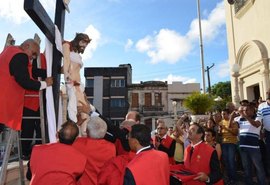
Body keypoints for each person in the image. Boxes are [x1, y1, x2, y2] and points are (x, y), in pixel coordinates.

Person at [0, 39, 53, 131]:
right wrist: (45, 84)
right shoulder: (21, 56)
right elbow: (25, 81)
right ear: (27, 46)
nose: (33, 57)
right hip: (4, 101)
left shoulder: (9, 50)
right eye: (33, 53)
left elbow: (28, 71)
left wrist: (50, 73)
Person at [63, 33, 92, 136]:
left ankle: (82, 137)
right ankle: (75, 136)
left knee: (85, 112)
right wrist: (67, 77)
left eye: (86, 44)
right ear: (78, 40)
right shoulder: (67, 45)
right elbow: (66, 61)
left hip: (79, 86)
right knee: (73, 110)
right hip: (71, 83)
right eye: (83, 42)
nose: (84, 46)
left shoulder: (77, 54)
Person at [72, 116, 116, 185]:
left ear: (87, 131)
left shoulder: (79, 144)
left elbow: (68, 137)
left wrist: (76, 125)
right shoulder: (112, 148)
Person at [234, 105, 267, 185]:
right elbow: (233, 127)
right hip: (243, 147)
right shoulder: (240, 119)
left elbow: (256, 124)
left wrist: (245, 116)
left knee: (258, 167)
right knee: (246, 168)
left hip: (254, 148)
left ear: (252, 111)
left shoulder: (258, 117)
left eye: (247, 110)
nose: (245, 111)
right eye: (244, 110)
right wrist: (232, 117)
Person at [219, 108, 238, 184]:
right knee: (226, 162)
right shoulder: (221, 122)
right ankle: (229, 178)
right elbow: (220, 134)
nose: (223, 116)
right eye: (222, 114)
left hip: (231, 144)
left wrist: (225, 128)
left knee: (231, 161)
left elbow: (235, 133)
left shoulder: (234, 122)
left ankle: (233, 179)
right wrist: (220, 131)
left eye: (224, 114)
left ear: (228, 114)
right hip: (224, 143)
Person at [257, 89, 270, 176]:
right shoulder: (261, 106)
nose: (268, 93)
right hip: (268, 134)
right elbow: (259, 120)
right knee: (268, 155)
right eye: (267, 92)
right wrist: (260, 132)